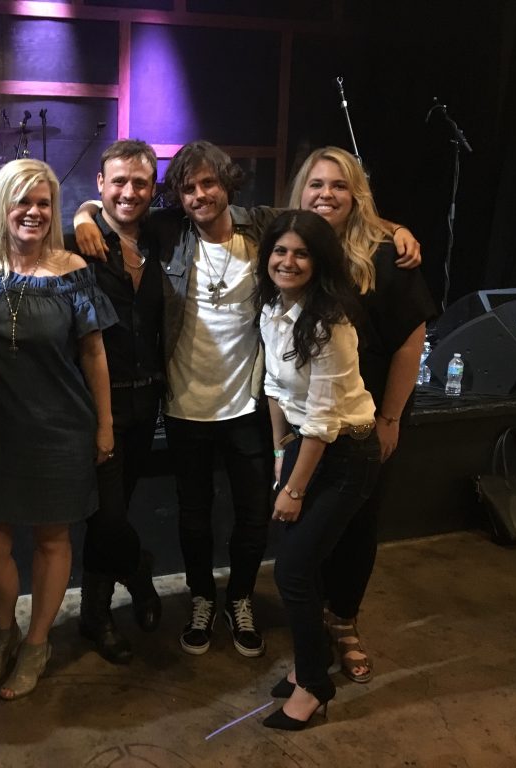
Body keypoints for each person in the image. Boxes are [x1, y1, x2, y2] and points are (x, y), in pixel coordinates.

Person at [73, 140, 419, 660]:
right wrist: (83, 211)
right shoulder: (167, 232)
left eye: (209, 183)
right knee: (193, 515)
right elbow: (117, 212)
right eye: (188, 188)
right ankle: (200, 597)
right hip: (186, 406)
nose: (199, 195)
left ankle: (239, 598)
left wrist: (394, 229)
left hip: (252, 407)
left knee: (252, 514)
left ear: (227, 185)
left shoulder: (261, 227)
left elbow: (325, 211)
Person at [0, 158, 116, 699]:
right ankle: (6, 630)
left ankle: (38, 643)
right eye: (23, 200)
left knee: (52, 539)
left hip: (59, 428)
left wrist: (105, 425)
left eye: (44, 203)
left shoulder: (73, 270)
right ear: (2, 205)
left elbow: (94, 354)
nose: (34, 212)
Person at [290, 146, 435, 682]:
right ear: (300, 192)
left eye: (338, 186)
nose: (325, 194)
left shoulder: (384, 255)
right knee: (309, 523)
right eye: (316, 184)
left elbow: (410, 339)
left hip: (369, 417)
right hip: (306, 419)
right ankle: (310, 619)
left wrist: (391, 419)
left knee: (358, 522)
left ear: (356, 196)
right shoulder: (291, 243)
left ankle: (344, 619)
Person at [257, 210, 381, 730]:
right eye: (280, 251)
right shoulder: (272, 307)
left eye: (301, 253)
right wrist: (279, 464)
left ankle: (314, 685)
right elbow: (276, 392)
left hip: (345, 454)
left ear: (319, 260)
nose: (288, 261)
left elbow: (326, 421)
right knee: (296, 567)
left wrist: (295, 489)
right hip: (305, 450)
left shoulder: (331, 321)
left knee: (292, 570)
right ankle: (312, 665)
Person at [63, 139, 163, 665]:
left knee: (112, 513)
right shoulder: (73, 242)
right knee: (108, 516)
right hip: (97, 409)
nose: (129, 192)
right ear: (99, 186)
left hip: (149, 406)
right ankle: (133, 585)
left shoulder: (164, 238)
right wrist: (80, 214)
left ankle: (94, 613)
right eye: (117, 182)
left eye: (140, 183)